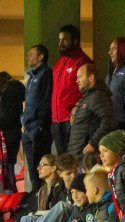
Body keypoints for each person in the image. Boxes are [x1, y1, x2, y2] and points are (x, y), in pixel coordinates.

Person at [51, 24, 92, 154]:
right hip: (56, 120)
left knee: (74, 158)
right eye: (59, 40)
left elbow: (88, 90)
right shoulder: (58, 64)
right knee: (62, 159)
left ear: (75, 41)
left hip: (73, 119)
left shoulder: (82, 61)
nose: (60, 43)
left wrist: (77, 110)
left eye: (65, 40)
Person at [66, 63, 116, 158]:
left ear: (91, 77)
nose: (77, 80)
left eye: (80, 76)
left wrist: (93, 143)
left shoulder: (98, 96)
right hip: (78, 155)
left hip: (87, 156)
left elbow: (109, 121)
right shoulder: (88, 97)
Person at [22, 44, 53, 191]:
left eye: (31, 54)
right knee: (33, 171)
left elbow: (47, 101)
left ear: (40, 57)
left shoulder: (46, 74)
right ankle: (36, 196)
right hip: (28, 129)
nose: (27, 57)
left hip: (38, 129)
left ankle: (43, 196)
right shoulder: (31, 77)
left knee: (41, 169)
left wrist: (40, 126)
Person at [0, 71, 25, 190]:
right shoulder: (14, 90)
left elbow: (2, 116)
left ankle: (9, 191)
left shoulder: (7, 93)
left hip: (6, 134)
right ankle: (11, 190)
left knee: (7, 167)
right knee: (10, 165)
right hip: (13, 133)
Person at [106, 37, 125, 131]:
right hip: (113, 120)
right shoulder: (112, 69)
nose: (109, 52)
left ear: (124, 49)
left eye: (114, 49)